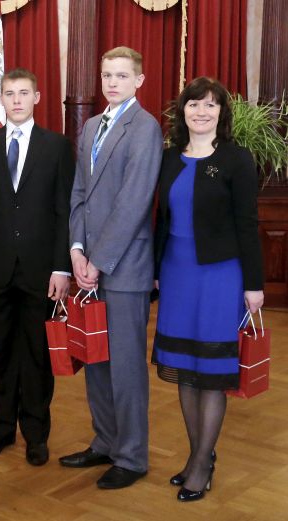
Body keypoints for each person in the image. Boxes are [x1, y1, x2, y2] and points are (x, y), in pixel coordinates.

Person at [152, 76, 264, 502]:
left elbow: (247, 225)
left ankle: (201, 464)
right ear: (183, 111)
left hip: (220, 275)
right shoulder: (169, 158)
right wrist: (157, 269)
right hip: (177, 273)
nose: (201, 112)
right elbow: (161, 219)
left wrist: (254, 284)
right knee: (185, 368)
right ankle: (197, 453)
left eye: (210, 105)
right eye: (194, 104)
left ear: (222, 113)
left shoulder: (236, 159)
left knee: (212, 374)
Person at [62, 47, 163, 489]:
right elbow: (79, 192)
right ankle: (105, 441)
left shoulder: (145, 127)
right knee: (95, 359)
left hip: (124, 268)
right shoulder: (90, 126)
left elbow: (134, 202)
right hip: (89, 265)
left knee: (125, 367)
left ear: (139, 80)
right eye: (107, 75)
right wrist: (77, 250)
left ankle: (132, 456)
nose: (112, 82)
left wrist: (98, 261)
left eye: (122, 75)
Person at [0, 68, 74, 466]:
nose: (16, 100)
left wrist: (61, 267)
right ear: (1, 99)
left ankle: (36, 433)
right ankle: (1, 428)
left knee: (37, 355)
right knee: (2, 352)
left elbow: (64, 211)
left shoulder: (57, 147)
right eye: (9, 93)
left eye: (24, 93)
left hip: (41, 271)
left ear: (37, 97)